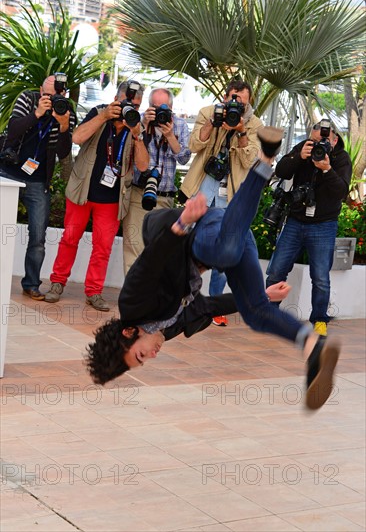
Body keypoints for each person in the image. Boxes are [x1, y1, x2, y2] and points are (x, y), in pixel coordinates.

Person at [85, 127, 341, 411]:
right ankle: (312, 347)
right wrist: (262, 295)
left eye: (141, 356)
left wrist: (181, 224)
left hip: (201, 230)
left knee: (224, 252)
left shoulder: (133, 305)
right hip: (235, 233)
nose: (152, 356)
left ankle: (265, 158)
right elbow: (206, 306)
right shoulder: (166, 330)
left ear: (128, 335)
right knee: (256, 312)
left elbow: (152, 261)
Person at [44, 80, 149, 311]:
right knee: (69, 239)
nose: (131, 108)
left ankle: (94, 292)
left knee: (103, 247)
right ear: (115, 98)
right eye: (127, 103)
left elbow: (143, 165)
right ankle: (57, 283)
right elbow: (77, 138)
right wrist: (103, 116)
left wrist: (137, 135)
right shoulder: (98, 112)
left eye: (137, 105)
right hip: (83, 191)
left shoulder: (136, 125)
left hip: (112, 199)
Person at [180, 79, 263, 327]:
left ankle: (215, 304)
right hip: (202, 189)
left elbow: (251, 162)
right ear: (225, 97)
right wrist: (212, 123)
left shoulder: (255, 124)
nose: (237, 106)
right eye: (233, 100)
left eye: (243, 103)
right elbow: (193, 145)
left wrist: (240, 132)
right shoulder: (209, 112)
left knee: (223, 251)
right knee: (186, 245)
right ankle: (183, 296)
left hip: (231, 195)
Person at [266, 119, 352, 336]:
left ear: (334, 139)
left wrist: (327, 169)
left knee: (321, 276)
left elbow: (341, 191)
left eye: (324, 140)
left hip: (324, 224)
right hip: (296, 220)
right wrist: (298, 156)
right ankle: (270, 315)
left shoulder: (341, 158)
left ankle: (320, 320)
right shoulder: (304, 147)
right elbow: (282, 171)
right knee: (276, 270)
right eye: (315, 140)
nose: (319, 145)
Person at [0, 74, 76, 300]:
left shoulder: (65, 110)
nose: (51, 99)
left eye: (55, 95)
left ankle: (31, 283)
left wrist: (63, 126)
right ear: (40, 90)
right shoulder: (28, 98)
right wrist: (37, 113)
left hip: (38, 180)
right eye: (47, 95)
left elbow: (63, 153)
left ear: (62, 94)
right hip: (8, 173)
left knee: (38, 236)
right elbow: (13, 130)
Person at [122, 87, 191, 275]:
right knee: (133, 248)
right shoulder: (140, 120)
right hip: (139, 193)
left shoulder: (180, 125)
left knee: (159, 252)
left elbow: (184, 158)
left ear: (171, 107)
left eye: (164, 107)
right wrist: (143, 124)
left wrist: (170, 136)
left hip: (165, 197)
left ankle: (150, 299)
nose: (160, 111)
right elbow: (128, 149)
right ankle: (132, 300)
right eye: (155, 106)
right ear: (148, 105)